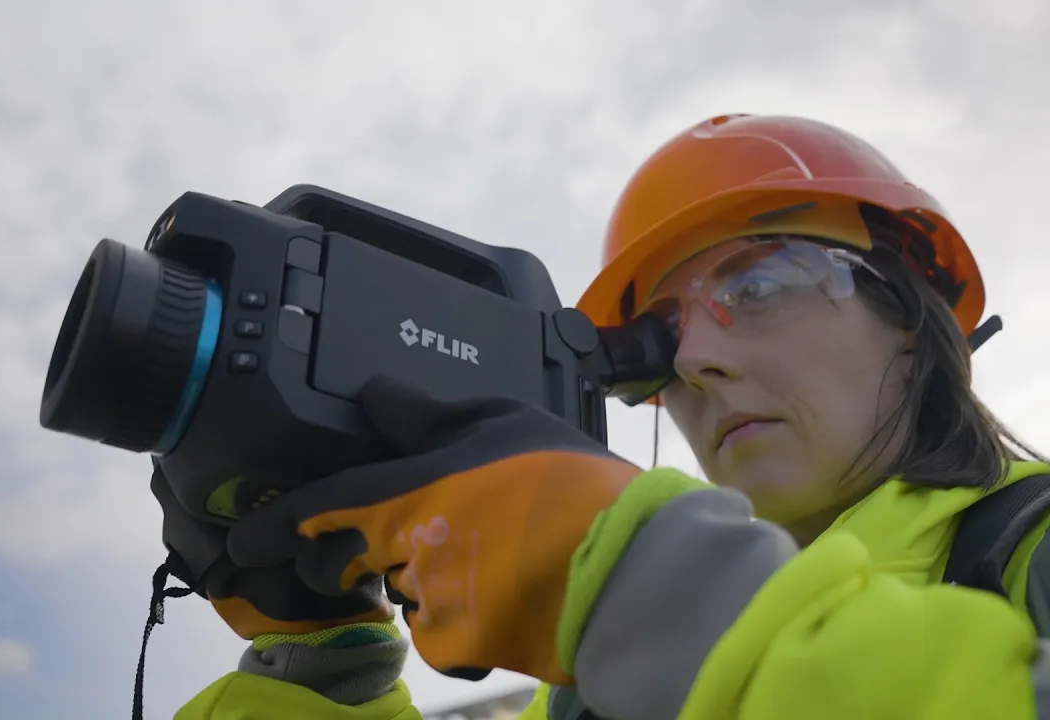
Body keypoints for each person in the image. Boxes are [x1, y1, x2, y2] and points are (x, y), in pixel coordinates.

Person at [171, 114, 1050, 719]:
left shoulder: (1030, 553)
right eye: (658, 343)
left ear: (912, 317)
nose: (695, 361)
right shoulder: (589, 686)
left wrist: (658, 591)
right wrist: (322, 666)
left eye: (759, 285)